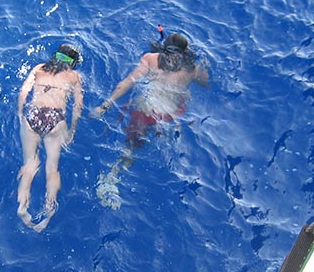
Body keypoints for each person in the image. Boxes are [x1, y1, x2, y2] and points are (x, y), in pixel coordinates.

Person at [90, 32, 209, 209]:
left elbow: (127, 82)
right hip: (170, 116)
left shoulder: (150, 58)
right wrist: (204, 65)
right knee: (184, 100)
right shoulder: (192, 69)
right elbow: (205, 83)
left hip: (145, 112)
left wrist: (105, 105)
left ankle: (111, 178)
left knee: (129, 150)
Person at [17, 44, 84, 231]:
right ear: (73, 63)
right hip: (55, 118)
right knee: (52, 168)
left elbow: (23, 92)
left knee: (29, 164)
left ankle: (22, 207)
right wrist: (72, 130)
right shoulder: (75, 77)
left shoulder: (38, 68)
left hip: (33, 114)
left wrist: (20, 113)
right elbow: (78, 107)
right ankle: (47, 214)